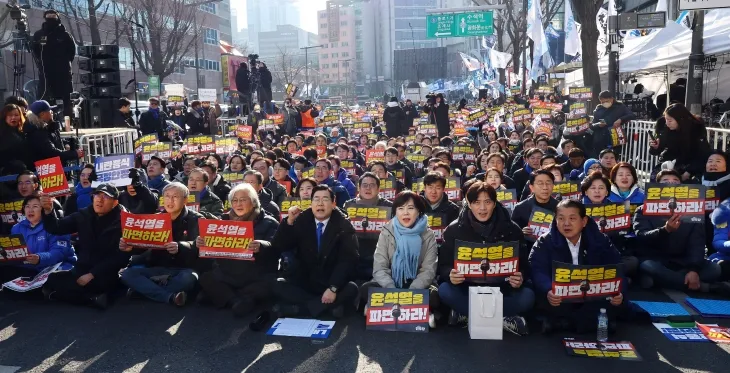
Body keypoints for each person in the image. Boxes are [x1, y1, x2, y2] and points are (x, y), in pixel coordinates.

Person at [438, 182, 532, 335]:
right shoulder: (454, 229)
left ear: (495, 203)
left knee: (527, 297)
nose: (482, 208)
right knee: (445, 290)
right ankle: (503, 317)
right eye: (476, 202)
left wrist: (520, 276)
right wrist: (450, 274)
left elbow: (524, 265)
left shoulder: (512, 228)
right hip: (467, 288)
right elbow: (443, 265)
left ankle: (467, 313)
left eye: (487, 202)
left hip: (503, 290)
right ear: (468, 204)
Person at [529, 200, 626, 334]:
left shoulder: (600, 240)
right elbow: (537, 269)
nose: (566, 223)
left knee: (613, 302)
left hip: (592, 295)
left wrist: (618, 292)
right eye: (561, 218)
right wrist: (548, 290)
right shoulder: (545, 241)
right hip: (560, 296)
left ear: (584, 221)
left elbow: (617, 266)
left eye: (572, 218)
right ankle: (592, 323)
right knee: (540, 299)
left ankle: (564, 323)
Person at [268, 185, 360, 318]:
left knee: (352, 288)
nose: (320, 203)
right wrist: (288, 222)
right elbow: (279, 246)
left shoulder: (344, 225)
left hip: (331, 281)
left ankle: (299, 310)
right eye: (316, 199)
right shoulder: (302, 221)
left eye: (325, 199)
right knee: (276, 284)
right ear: (311, 204)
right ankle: (326, 307)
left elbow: (348, 260)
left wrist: (333, 288)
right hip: (307, 280)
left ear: (334, 204)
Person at [634, 170, 726, 294]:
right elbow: (641, 236)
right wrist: (665, 230)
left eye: (675, 181)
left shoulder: (693, 209)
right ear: (657, 186)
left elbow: (697, 243)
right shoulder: (643, 209)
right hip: (655, 259)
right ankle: (705, 287)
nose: (671, 184)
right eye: (665, 182)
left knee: (714, 268)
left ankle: (662, 280)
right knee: (648, 266)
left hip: (683, 261)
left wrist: (693, 270)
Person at [40, 184, 130, 309]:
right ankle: (94, 298)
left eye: (106, 196)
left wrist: (92, 274)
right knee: (52, 279)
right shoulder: (83, 215)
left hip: (105, 272)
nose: (100, 199)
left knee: (101, 283)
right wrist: (48, 210)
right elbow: (56, 227)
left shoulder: (124, 221)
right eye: (97, 195)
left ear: (115, 202)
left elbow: (121, 257)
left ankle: (89, 297)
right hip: (82, 268)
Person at [198, 183, 280, 316]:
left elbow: (277, 247)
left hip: (255, 275)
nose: (238, 204)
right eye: (235, 201)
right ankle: (236, 300)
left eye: (243, 200)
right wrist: (201, 242)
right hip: (227, 274)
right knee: (206, 278)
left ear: (253, 202)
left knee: (271, 285)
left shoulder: (269, 222)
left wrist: (262, 246)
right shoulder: (222, 221)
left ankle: (225, 297)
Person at [361, 191, 438, 328]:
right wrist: (391, 289)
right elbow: (380, 266)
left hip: (415, 284)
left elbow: (428, 270)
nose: (405, 213)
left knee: (436, 295)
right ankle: (419, 311)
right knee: (365, 289)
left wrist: (411, 290)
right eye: (401, 208)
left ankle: (379, 308)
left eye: (410, 208)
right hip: (391, 283)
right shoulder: (387, 231)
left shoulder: (428, 234)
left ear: (419, 211)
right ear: (395, 211)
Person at [119, 182, 202, 306]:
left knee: (189, 278)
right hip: (156, 268)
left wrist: (180, 246)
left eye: (175, 197)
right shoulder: (155, 218)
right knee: (126, 273)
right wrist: (130, 246)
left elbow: (197, 244)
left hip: (182, 269)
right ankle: (169, 296)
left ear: (185, 200)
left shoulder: (196, 219)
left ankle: (143, 291)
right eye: (167, 196)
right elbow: (143, 245)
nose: (170, 200)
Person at [2, 194, 76, 284]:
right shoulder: (16, 228)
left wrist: (40, 258)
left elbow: (58, 253)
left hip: (58, 267)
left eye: (35, 206)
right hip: (31, 270)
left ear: (43, 209)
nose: (30, 210)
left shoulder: (56, 226)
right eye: (27, 206)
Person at [343, 172, 394, 281]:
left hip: (380, 255)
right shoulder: (348, 205)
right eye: (365, 185)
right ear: (359, 188)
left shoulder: (389, 206)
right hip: (354, 255)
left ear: (378, 188)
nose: (368, 188)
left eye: (372, 185)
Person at [649, 103, 711, 182]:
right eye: (666, 119)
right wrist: (655, 147)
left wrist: (688, 172)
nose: (667, 123)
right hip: (668, 162)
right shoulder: (663, 126)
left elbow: (703, 153)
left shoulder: (696, 127)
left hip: (691, 163)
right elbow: (658, 150)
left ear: (680, 119)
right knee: (657, 181)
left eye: (670, 120)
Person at [32, 10, 76, 118]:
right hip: (46, 72)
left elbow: (72, 51)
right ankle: (42, 121)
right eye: (48, 16)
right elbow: (35, 51)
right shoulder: (39, 34)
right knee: (44, 96)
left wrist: (64, 62)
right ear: (45, 17)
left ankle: (68, 121)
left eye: (53, 16)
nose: (51, 17)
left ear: (58, 17)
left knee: (66, 98)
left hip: (63, 72)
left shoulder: (65, 35)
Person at [24, 100, 83, 166]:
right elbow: (51, 152)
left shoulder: (47, 127)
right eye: (49, 110)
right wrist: (74, 154)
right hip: (46, 171)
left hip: (55, 168)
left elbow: (54, 140)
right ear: (42, 114)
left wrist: (66, 144)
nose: (52, 112)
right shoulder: (36, 131)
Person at [511, 169, 559, 238]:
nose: (545, 187)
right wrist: (520, 232)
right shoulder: (520, 208)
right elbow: (512, 233)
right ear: (532, 187)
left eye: (548, 183)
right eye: (540, 184)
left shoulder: (560, 207)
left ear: (553, 186)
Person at [591, 91, 636, 158]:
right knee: (601, 158)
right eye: (602, 102)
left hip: (615, 136)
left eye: (607, 101)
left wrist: (621, 119)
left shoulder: (620, 107)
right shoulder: (598, 109)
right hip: (600, 139)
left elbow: (632, 115)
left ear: (612, 99)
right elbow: (592, 125)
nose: (605, 103)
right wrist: (598, 124)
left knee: (614, 157)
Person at [0, 104, 29, 173]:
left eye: (16, 115)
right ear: (4, 117)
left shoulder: (22, 130)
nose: (13, 118)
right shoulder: (2, 132)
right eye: (10, 115)